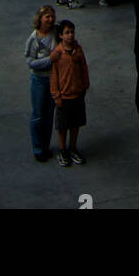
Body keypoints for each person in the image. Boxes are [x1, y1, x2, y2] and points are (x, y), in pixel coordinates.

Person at [49, 20, 89, 167]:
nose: (70, 35)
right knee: (62, 126)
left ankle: (73, 148)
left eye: (72, 32)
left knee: (75, 123)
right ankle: (62, 149)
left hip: (77, 94)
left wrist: (84, 86)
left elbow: (84, 69)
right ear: (60, 35)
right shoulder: (57, 54)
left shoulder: (78, 51)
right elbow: (54, 76)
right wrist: (56, 95)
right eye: (67, 32)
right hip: (63, 97)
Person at [25, 4, 57, 161]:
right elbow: (30, 62)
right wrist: (49, 60)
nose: (50, 20)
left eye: (52, 16)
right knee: (38, 114)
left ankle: (46, 145)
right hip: (39, 79)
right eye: (47, 17)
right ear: (40, 19)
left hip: (53, 79)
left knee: (49, 114)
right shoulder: (34, 39)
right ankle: (37, 147)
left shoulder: (55, 33)